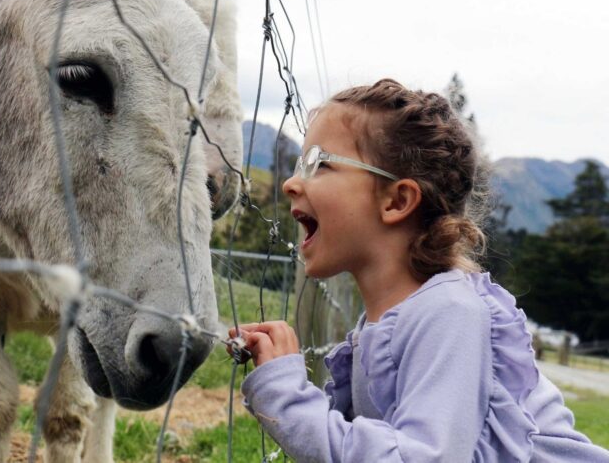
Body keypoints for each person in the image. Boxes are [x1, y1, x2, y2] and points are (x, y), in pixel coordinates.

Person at [229, 79, 609, 462]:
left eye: (319, 163)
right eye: (299, 164)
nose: (291, 182)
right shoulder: (389, 322)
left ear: (397, 200)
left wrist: (287, 397)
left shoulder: (450, 313)